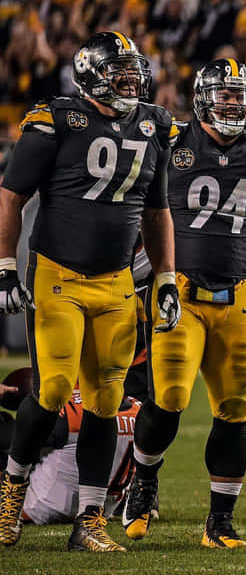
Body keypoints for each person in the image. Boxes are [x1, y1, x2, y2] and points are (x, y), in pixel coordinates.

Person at [120, 58, 246, 549]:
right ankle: (143, 483)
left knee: (234, 409)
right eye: (224, 94)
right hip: (178, 293)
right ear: (203, 97)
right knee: (168, 400)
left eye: (240, 95)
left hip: (238, 297)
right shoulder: (172, 138)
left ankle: (220, 523)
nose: (233, 103)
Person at [0, 31, 180, 552]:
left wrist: (165, 275)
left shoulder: (153, 125)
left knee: (105, 401)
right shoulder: (54, 119)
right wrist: (6, 266)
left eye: (133, 70)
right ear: (89, 74)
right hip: (59, 275)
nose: (130, 79)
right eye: (118, 71)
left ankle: (91, 520)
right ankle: (11, 492)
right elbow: (11, 198)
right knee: (53, 390)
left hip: (117, 283)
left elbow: (156, 210)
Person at [0, 367, 146, 526]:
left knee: (7, 427)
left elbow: (21, 445)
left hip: (44, 505)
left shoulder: (70, 409)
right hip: (101, 507)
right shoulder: (137, 407)